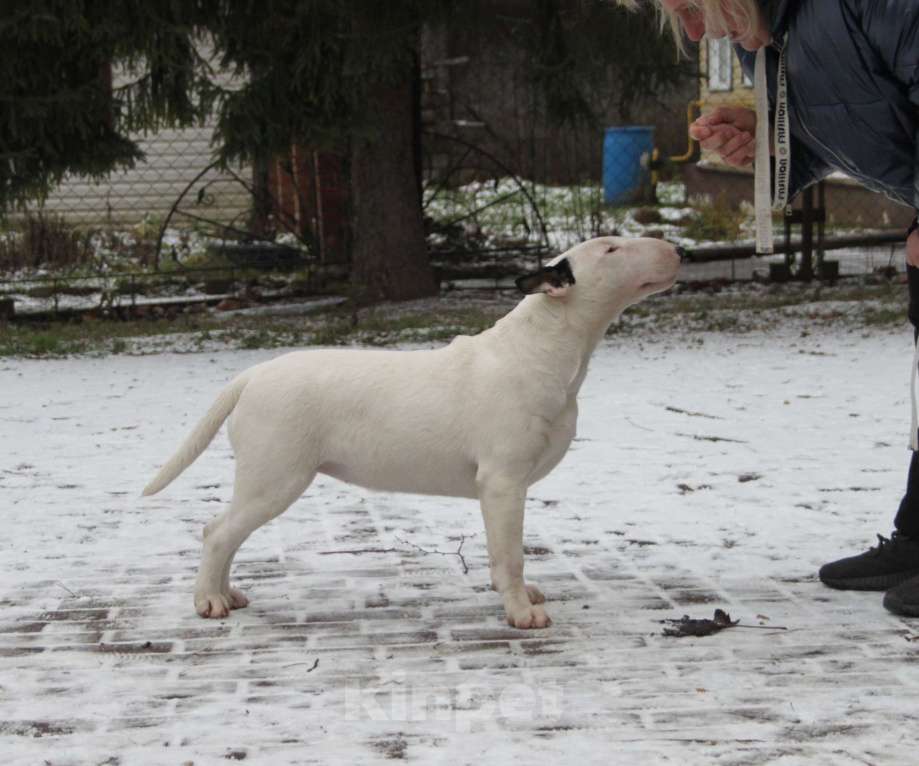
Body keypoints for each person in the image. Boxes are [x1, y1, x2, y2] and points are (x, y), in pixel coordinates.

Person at [651, 0, 919, 616]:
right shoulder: (764, 34)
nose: (694, 34)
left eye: (692, 9)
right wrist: (767, 144)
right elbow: (853, 123)